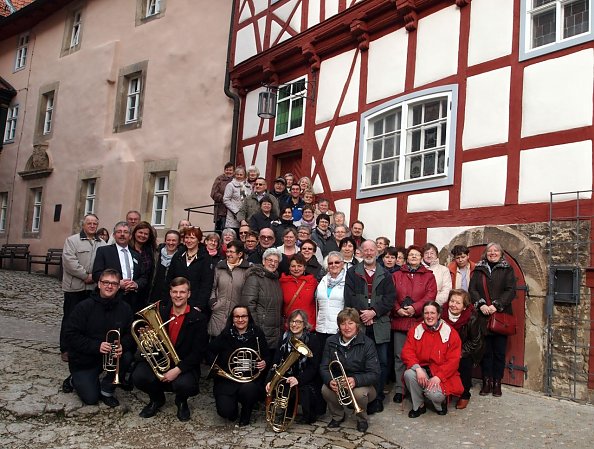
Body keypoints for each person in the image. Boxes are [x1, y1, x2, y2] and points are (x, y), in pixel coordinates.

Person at [133, 277, 209, 421]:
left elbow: (198, 352)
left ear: (189, 294)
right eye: (175, 292)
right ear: (170, 293)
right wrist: (146, 339)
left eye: (182, 292)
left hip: (184, 364)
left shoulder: (198, 318)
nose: (178, 295)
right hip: (161, 359)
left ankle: (181, 401)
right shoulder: (160, 313)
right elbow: (150, 345)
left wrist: (177, 370)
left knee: (185, 385)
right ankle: (156, 399)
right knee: (138, 376)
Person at [63, 269, 134, 407]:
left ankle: (107, 389)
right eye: (106, 282)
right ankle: (74, 379)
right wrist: (97, 346)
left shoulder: (125, 308)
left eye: (114, 283)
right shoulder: (84, 307)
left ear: (119, 286)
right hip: (85, 359)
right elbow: (70, 335)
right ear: (99, 284)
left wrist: (123, 345)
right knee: (91, 398)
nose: (109, 286)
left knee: (127, 356)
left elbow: (131, 334)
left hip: (109, 358)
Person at [345, 240, 396, 415]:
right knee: (359, 362)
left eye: (371, 250)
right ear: (360, 252)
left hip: (379, 324)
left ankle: (377, 398)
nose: (368, 253)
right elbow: (350, 297)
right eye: (365, 250)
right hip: (359, 324)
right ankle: (361, 396)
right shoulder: (352, 273)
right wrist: (363, 314)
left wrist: (373, 312)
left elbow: (389, 299)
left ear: (376, 252)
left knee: (381, 362)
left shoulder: (386, 274)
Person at [319, 307, 380, 433]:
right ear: (339, 326)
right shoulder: (331, 342)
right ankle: (337, 416)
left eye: (350, 323)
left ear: (357, 325)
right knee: (325, 389)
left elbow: (375, 373)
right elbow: (324, 367)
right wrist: (330, 380)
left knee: (359, 393)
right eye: (343, 323)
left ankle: (361, 419)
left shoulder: (367, 343)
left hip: (362, 385)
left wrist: (356, 380)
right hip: (341, 382)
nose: (347, 327)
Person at [208, 306, 270, 426]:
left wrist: (264, 362)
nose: (240, 319)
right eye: (237, 316)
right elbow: (209, 350)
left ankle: (246, 412)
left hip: (249, 380)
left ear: (248, 317)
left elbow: (266, 355)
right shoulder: (225, 334)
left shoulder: (257, 333)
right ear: (232, 318)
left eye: (244, 316)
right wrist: (215, 366)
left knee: (250, 389)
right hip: (227, 380)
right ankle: (233, 409)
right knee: (225, 412)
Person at [391, 245, 437, 404]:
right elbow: (391, 295)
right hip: (400, 320)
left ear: (421, 257)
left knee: (418, 357)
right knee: (399, 356)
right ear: (406, 257)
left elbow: (431, 295)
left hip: (419, 322)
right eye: (411, 255)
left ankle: (415, 388)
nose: (414, 257)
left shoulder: (429, 276)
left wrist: (414, 308)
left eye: (417, 255)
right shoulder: (396, 275)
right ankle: (399, 389)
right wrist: (398, 310)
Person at [469, 242, 516, 398]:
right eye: (490, 251)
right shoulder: (479, 269)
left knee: (499, 352)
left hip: (500, 316)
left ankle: (497, 382)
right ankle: (486, 381)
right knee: (485, 352)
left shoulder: (507, 269)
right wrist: (481, 304)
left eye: (496, 250)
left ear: (501, 253)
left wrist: (496, 305)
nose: (493, 253)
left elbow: (510, 290)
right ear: (486, 253)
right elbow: (472, 289)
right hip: (483, 317)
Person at [401, 301, 464, 418]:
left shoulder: (450, 333)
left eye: (432, 313)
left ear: (438, 315)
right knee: (409, 374)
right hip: (423, 370)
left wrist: (439, 376)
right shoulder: (415, 330)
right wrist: (418, 369)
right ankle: (419, 406)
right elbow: (407, 351)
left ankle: (439, 405)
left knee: (434, 394)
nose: (429, 316)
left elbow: (453, 360)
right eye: (426, 313)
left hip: (440, 373)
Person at [60, 214, 106, 363]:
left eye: (95, 223)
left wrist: (95, 277)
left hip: (93, 288)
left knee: (89, 320)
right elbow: (69, 262)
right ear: (83, 225)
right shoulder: (72, 241)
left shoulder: (102, 243)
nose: (92, 226)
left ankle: (83, 346)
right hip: (75, 287)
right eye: (89, 223)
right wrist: (85, 275)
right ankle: (66, 348)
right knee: (70, 318)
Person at [266, 309, 324, 424]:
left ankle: (308, 414)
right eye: (292, 321)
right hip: (287, 375)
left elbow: (313, 367)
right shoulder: (283, 339)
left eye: (298, 322)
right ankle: (284, 410)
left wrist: (298, 379)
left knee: (305, 389)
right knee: (280, 384)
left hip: (306, 377)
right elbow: (276, 361)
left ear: (304, 324)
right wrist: (270, 380)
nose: (294, 324)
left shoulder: (312, 340)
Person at [441, 289, 484, 409]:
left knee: (464, 366)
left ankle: (465, 394)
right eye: (452, 301)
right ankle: (444, 393)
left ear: (464, 306)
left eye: (458, 303)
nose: (453, 305)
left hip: (465, 349)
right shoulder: (441, 313)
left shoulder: (472, 318)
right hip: (445, 348)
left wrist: (460, 353)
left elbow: (475, 340)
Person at [92, 221, 149, 313]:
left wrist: (136, 284)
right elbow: (96, 274)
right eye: (119, 232)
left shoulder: (136, 255)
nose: (122, 234)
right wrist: (117, 283)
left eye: (125, 232)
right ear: (114, 235)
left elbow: (144, 277)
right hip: (110, 299)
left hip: (132, 301)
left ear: (130, 236)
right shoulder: (104, 251)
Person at [166, 226, 214, 315]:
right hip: (176, 302)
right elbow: (170, 279)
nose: (189, 240)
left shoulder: (206, 259)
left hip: (195, 305)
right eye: (187, 238)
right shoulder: (178, 256)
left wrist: (199, 306)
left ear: (198, 240)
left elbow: (206, 285)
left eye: (192, 238)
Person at [243, 248, 284, 352]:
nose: (272, 263)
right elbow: (248, 304)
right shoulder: (255, 278)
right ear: (263, 261)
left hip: (274, 332)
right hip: (260, 331)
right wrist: (256, 328)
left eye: (276, 261)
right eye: (270, 260)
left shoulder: (275, 280)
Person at [208, 240, 251, 337]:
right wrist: (213, 302)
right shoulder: (219, 268)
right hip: (218, 312)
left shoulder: (247, 270)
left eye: (232, 252)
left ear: (240, 254)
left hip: (237, 315)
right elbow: (213, 287)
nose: (228, 254)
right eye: (227, 251)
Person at [279, 253, 318, 330]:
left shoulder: (312, 282)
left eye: (299, 266)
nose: (296, 269)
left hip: (308, 326)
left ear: (304, 268)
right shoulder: (282, 282)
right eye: (293, 266)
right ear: (289, 268)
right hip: (290, 326)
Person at [315, 251, 346, 345]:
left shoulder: (348, 280)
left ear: (342, 264)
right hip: (321, 328)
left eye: (337, 262)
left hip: (339, 329)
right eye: (330, 263)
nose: (333, 265)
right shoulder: (322, 281)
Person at [130, 221, 158, 306]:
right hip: (129, 291)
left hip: (145, 292)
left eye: (146, 234)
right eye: (140, 232)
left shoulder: (150, 251)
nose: (142, 235)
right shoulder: (127, 249)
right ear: (135, 233)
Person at [150, 229, 180, 302]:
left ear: (178, 242)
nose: (171, 243)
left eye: (174, 240)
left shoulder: (180, 257)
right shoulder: (156, 254)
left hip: (171, 298)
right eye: (168, 240)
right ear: (165, 241)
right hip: (153, 295)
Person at [223, 166, 251, 232]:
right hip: (234, 215)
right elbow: (226, 199)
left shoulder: (249, 186)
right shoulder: (230, 185)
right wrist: (237, 211)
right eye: (237, 174)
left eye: (241, 174)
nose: (239, 176)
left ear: (244, 175)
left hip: (246, 216)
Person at [210, 162, 235, 233]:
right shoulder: (219, 179)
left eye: (230, 170)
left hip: (232, 212)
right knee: (220, 231)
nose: (228, 172)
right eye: (227, 170)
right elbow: (213, 193)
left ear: (233, 171)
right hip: (221, 211)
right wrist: (225, 199)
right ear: (224, 170)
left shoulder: (236, 180)